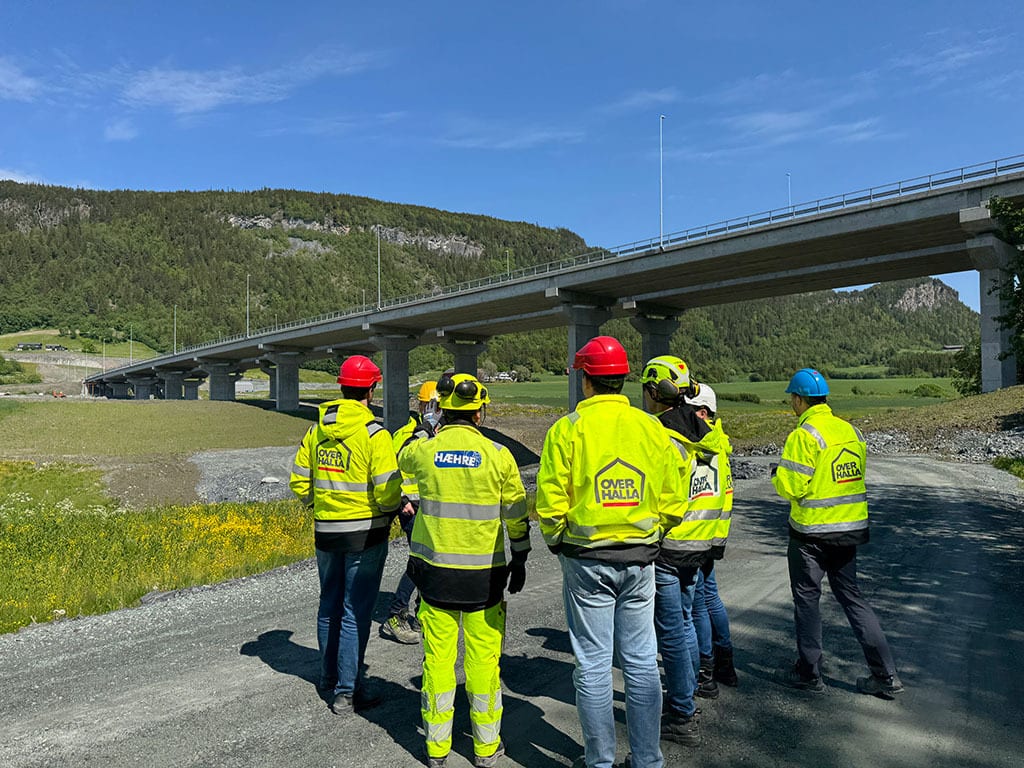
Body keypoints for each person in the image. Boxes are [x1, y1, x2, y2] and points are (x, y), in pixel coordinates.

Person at [536, 336, 688, 768]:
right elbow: (675, 497)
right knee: (641, 662)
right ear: (622, 379)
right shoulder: (652, 429)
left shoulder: (568, 429)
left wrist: (557, 540)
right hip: (640, 558)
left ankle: (599, 760)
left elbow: (550, 501)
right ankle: (648, 759)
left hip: (586, 559)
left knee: (593, 665)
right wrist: (655, 532)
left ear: (586, 379)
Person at [398, 373, 531, 768]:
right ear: (479, 412)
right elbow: (516, 514)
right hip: (484, 580)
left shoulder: (425, 450)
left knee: (438, 663)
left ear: (442, 409)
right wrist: (520, 558)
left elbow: (400, 457)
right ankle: (486, 749)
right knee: (483, 665)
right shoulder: (499, 455)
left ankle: (436, 749)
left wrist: (427, 429)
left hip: (436, 578)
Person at [771, 368, 904, 698]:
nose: (791, 404)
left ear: (799, 400)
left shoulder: (804, 435)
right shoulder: (851, 431)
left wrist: (777, 475)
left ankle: (809, 672)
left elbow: (791, 486)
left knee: (807, 600)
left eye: (792, 399)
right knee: (852, 597)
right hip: (848, 531)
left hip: (810, 535)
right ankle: (886, 675)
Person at [288, 354, 403, 715]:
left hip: (326, 530)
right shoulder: (374, 434)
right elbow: (387, 490)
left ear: (341, 387)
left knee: (329, 604)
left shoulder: (316, 430)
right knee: (355, 611)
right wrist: (389, 509)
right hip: (365, 534)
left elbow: (299, 481)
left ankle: (328, 676)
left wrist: (320, 505)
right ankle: (347, 691)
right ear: (372, 389)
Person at [638, 356, 716, 747]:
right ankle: (689, 694)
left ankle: (682, 713)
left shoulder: (658, 435)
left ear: (654, 391)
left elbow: (654, 491)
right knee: (684, 623)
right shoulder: (707, 432)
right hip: (699, 543)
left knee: (669, 631)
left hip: (670, 545)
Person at [683, 384, 738, 698]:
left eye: (688, 410)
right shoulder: (720, 441)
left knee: (697, 606)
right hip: (715, 530)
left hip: (696, 533)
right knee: (710, 598)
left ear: (702, 413)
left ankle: (705, 671)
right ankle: (724, 663)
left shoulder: (699, 443)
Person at [380, 381, 440, 644]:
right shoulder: (407, 433)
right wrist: (402, 499)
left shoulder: (441, 434)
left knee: (431, 562)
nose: (437, 411)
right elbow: (392, 468)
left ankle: (421, 613)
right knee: (420, 561)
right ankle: (396, 614)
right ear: (422, 405)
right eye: (432, 405)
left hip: (431, 506)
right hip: (411, 507)